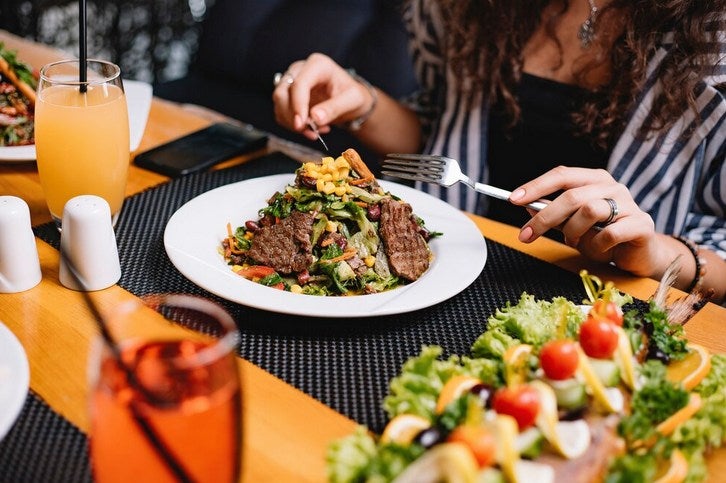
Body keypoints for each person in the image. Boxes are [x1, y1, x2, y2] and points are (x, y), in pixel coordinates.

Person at [272, 0, 726, 304]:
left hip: (613, 310)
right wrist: (360, 101)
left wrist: (658, 256)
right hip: (447, 279)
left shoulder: (716, 40)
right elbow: (442, 140)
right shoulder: (454, 7)